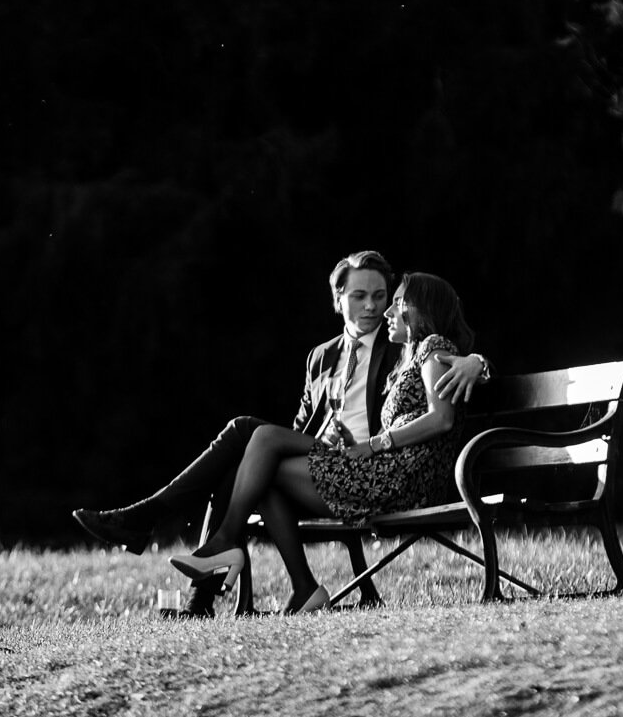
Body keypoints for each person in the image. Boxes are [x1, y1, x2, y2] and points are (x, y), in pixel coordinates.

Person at [72, 251, 492, 617]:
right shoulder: (320, 358)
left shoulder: (398, 347)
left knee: (251, 438)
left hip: (370, 466)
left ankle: (159, 528)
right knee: (252, 452)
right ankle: (264, 588)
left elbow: (447, 358)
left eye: (383, 297)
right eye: (360, 296)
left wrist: (479, 361)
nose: (374, 308)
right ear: (338, 300)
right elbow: (300, 426)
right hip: (331, 457)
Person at [169, 272, 475, 614]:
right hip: (384, 473)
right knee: (265, 470)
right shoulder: (414, 355)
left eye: (397, 302)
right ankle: (303, 588)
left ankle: (224, 545)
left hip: (400, 481)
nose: (387, 312)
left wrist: (376, 443)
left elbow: (442, 418)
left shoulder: (435, 347)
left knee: (264, 437)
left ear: (422, 309)